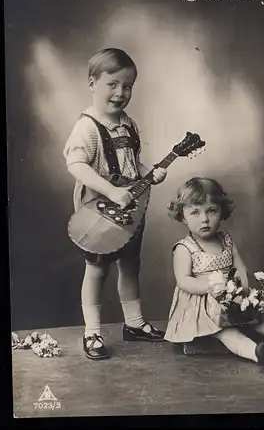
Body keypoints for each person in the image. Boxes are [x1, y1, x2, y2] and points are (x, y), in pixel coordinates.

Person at [63, 48, 167, 360]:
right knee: (97, 270)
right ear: (92, 83)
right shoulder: (88, 127)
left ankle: (134, 324)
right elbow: (76, 165)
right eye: (112, 84)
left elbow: (131, 164)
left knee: (131, 264)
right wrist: (110, 190)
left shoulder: (129, 124)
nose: (120, 93)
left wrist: (151, 173)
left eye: (128, 86)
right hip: (99, 212)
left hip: (130, 210)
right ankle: (92, 332)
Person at [165, 177, 264, 370]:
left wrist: (243, 290)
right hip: (204, 307)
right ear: (183, 217)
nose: (204, 219)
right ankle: (259, 353)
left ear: (221, 211)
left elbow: (240, 267)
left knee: (261, 320)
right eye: (195, 212)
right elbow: (183, 281)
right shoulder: (185, 248)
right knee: (227, 333)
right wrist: (211, 287)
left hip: (234, 298)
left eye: (211, 211)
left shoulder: (226, 239)